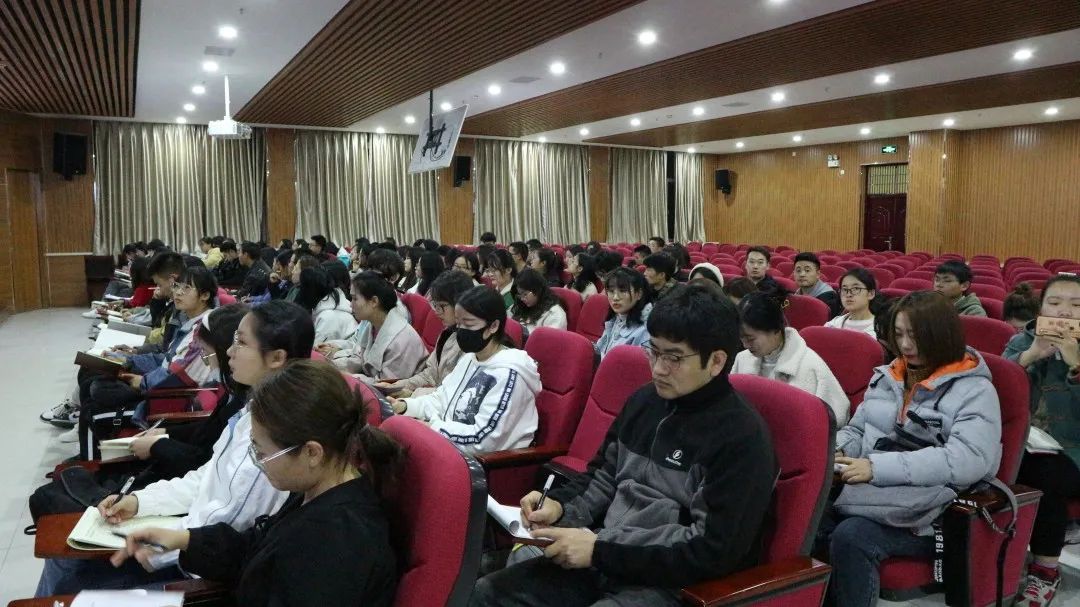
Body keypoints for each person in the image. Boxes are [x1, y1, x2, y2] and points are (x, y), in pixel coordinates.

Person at [469, 283, 777, 607]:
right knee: (487, 593)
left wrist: (600, 551)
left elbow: (711, 550)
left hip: (670, 581)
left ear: (716, 361)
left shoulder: (741, 437)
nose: (658, 368)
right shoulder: (645, 401)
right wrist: (559, 507)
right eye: (654, 351)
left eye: (674, 358)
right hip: (606, 554)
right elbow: (601, 476)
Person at [35, 302, 316, 596]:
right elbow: (204, 478)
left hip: (196, 571)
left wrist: (161, 546)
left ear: (277, 357)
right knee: (64, 558)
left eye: (241, 343)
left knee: (68, 574)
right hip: (184, 538)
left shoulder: (275, 433)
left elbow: (231, 526)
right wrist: (139, 502)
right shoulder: (252, 408)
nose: (230, 351)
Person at [108, 360, 401, 607]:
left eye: (261, 452)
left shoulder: (339, 544)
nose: (257, 461)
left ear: (312, 452)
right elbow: (257, 548)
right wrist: (183, 540)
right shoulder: (318, 489)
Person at [823, 291, 1001, 607]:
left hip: (932, 513)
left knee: (852, 535)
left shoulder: (974, 389)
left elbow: (968, 459)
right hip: (875, 494)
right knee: (809, 516)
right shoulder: (890, 375)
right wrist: (838, 451)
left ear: (941, 335)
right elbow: (859, 429)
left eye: (915, 336)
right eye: (899, 334)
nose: (905, 345)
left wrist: (877, 468)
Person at [76, 267, 222, 458]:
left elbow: (178, 375)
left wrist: (141, 381)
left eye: (186, 288)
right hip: (158, 386)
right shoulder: (190, 320)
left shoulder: (203, 328)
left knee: (93, 404)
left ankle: (89, 460)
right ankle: (93, 452)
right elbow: (166, 359)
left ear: (204, 295)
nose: (178, 292)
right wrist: (128, 360)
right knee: (94, 376)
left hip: (168, 399)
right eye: (177, 286)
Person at [388, 286, 541, 455]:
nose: (460, 330)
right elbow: (441, 399)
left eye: (468, 324)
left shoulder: (509, 374)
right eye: (459, 323)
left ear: (493, 326)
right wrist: (406, 406)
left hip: (484, 463)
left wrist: (432, 428)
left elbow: (483, 440)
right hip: (448, 446)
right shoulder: (470, 359)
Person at [1004, 274, 1080, 606]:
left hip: (1073, 451)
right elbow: (995, 389)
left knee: (1045, 476)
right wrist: (1030, 355)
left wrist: (1076, 365)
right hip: (1027, 443)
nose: (1064, 312)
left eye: (1076, 305)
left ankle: (1046, 570)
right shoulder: (1022, 341)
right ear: (1041, 308)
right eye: (1055, 302)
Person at [124, 304, 250, 481]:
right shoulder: (232, 392)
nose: (231, 352)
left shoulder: (244, 405)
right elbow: (208, 430)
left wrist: (157, 445)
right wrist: (165, 432)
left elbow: (206, 464)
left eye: (206, 354)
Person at [733, 289, 849, 424]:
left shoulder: (809, 365)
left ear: (776, 330)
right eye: (741, 338)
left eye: (750, 339)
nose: (745, 345)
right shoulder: (743, 359)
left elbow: (836, 416)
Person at [375, 271, 473, 398]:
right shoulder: (448, 333)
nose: (437, 311)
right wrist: (399, 385)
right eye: (435, 305)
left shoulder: (472, 343)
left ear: (461, 303)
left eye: (442, 306)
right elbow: (430, 375)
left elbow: (454, 393)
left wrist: (412, 394)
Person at [320, 271, 426, 383]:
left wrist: (347, 377)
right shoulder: (373, 324)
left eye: (355, 299)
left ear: (374, 301)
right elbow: (361, 359)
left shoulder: (401, 340)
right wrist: (330, 364)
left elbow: (387, 385)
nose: (351, 304)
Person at [595, 268, 652, 359]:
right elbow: (601, 350)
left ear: (639, 294)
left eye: (623, 291)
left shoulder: (646, 330)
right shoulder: (617, 317)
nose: (615, 297)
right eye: (611, 291)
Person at [297, 266, 357, 344]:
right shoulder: (329, 306)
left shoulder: (328, 317)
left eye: (302, 286)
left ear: (309, 290)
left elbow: (317, 349)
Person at [825, 268, 879, 340]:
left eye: (856, 288)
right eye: (845, 289)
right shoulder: (834, 324)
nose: (848, 294)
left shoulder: (879, 330)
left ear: (871, 294)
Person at [512, 268, 568, 336]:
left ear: (537, 289)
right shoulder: (527, 306)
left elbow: (550, 340)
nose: (522, 298)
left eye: (525, 294)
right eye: (519, 294)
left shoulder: (555, 314)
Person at [793, 252, 842, 317]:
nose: (802, 274)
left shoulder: (828, 298)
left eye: (807, 270)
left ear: (818, 274)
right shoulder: (796, 294)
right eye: (798, 270)